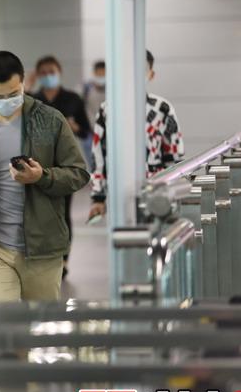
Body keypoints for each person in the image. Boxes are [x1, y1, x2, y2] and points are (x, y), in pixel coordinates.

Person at [0, 51, 89, 303]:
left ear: (23, 82)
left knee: (41, 325)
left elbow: (79, 173)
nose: (6, 102)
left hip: (42, 248)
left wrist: (41, 176)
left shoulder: (50, 121)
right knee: (1, 326)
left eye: (13, 94)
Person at [88, 50, 184, 220]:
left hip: (156, 190)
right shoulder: (107, 110)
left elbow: (174, 156)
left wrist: (173, 191)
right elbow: (99, 156)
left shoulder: (162, 109)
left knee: (156, 232)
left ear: (151, 74)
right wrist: (98, 197)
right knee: (123, 231)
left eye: (141, 70)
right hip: (119, 190)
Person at [33, 55, 91, 277]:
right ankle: (42, 256)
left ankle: (64, 258)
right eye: (43, 72)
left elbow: (85, 131)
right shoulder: (32, 99)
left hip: (64, 164)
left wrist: (74, 127)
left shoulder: (72, 99)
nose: (48, 76)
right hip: (38, 163)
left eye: (52, 71)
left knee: (62, 213)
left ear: (59, 72)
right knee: (38, 212)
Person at [80, 60, 106, 169]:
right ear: (94, 73)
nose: (101, 76)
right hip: (90, 133)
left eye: (103, 74)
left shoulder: (113, 89)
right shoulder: (86, 89)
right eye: (99, 74)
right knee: (93, 165)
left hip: (107, 133)